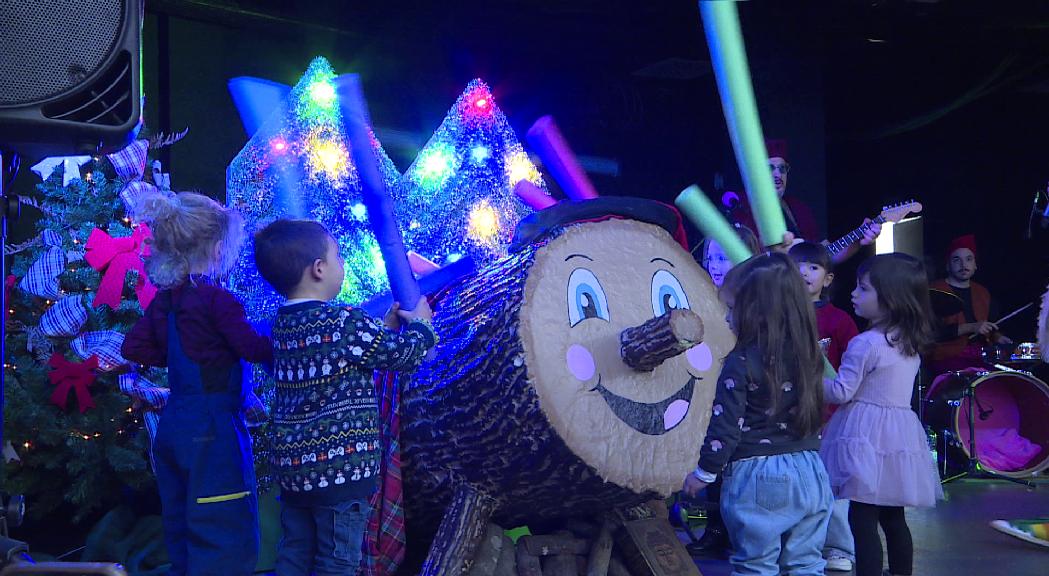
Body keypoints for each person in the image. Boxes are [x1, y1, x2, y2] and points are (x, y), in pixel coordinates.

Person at [253, 219, 437, 576]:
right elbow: (403, 355)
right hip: (340, 472)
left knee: (295, 552)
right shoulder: (345, 322)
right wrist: (422, 325)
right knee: (337, 560)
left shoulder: (280, 326)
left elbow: (330, 362)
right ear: (318, 269)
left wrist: (381, 330)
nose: (342, 264)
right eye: (337, 256)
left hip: (295, 471)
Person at [122, 191, 271, 576]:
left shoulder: (164, 301)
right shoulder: (219, 301)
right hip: (212, 431)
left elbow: (133, 345)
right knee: (224, 523)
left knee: (181, 519)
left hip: (174, 427)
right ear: (219, 248)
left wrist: (173, 357)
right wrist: (286, 340)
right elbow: (252, 348)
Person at [683, 252, 833, 575]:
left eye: (733, 309)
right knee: (806, 565)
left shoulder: (740, 362)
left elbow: (725, 428)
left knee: (756, 566)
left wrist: (703, 474)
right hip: (811, 472)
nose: (727, 319)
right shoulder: (811, 355)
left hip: (759, 479)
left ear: (757, 312)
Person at [821, 253, 943, 576]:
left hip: (864, 437)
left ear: (890, 299)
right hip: (898, 436)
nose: (854, 294)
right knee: (893, 517)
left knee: (862, 517)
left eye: (863, 289)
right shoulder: (909, 343)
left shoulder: (865, 344)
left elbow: (841, 391)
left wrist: (810, 380)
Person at [789, 241, 860, 572]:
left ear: (828, 279)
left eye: (813, 267)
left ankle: (838, 548)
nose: (804, 272)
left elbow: (852, 369)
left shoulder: (839, 320)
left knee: (833, 486)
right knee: (792, 485)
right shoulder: (778, 315)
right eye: (798, 266)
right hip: (785, 415)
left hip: (829, 418)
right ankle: (794, 546)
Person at [732, 139, 880, 263]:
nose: (778, 174)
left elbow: (823, 258)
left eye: (782, 169)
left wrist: (857, 241)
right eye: (770, 168)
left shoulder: (798, 209)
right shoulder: (740, 207)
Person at [927, 234, 1012, 374]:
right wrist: (971, 327)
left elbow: (990, 327)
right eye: (956, 260)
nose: (963, 265)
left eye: (968, 259)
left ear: (975, 265)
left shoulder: (982, 292)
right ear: (947, 265)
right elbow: (929, 335)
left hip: (982, 355)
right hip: (947, 356)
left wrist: (998, 338)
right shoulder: (934, 291)